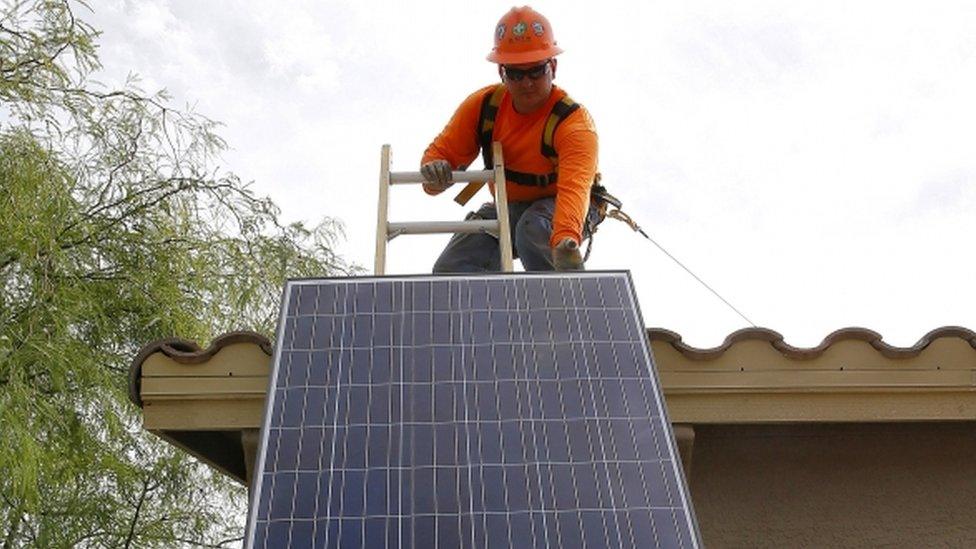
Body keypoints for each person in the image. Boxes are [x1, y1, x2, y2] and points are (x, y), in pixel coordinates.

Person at [420, 6, 601, 272]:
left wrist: (565, 240)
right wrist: (434, 172)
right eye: (516, 74)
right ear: (502, 73)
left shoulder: (573, 124)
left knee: (533, 231)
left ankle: (557, 307)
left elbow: (574, 191)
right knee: (455, 264)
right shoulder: (483, 107)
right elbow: (438, 161)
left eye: (536, 71)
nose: (527, 82)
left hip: (563, 211)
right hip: (510, 207)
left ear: (553, 66)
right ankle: (488, 313)